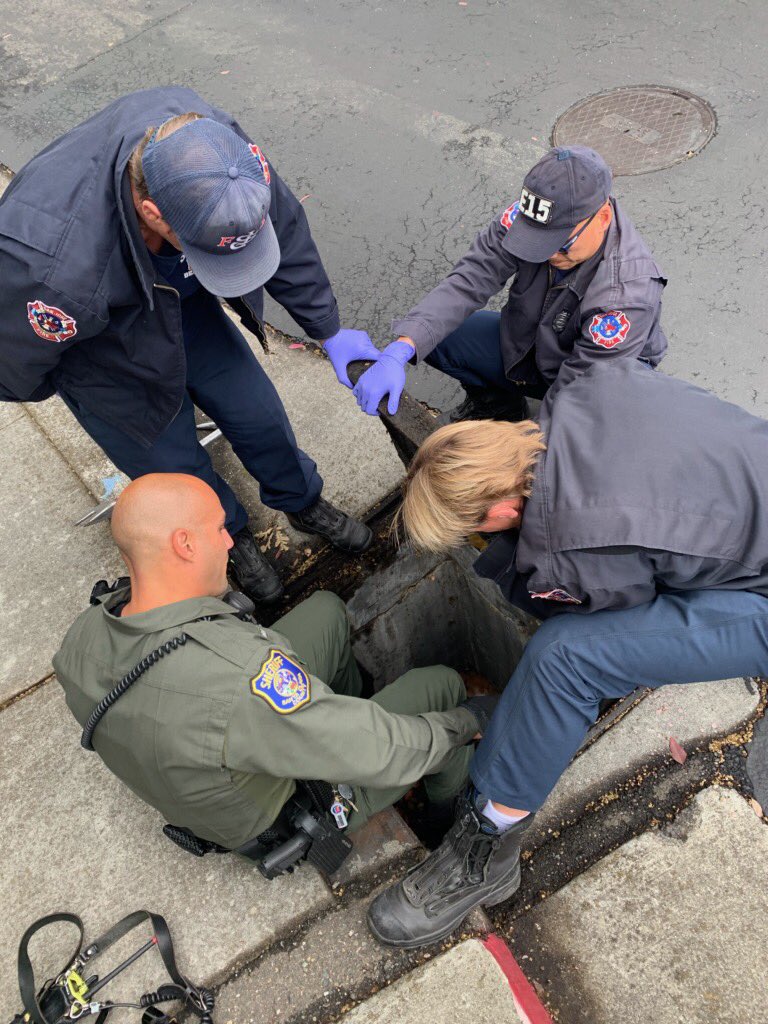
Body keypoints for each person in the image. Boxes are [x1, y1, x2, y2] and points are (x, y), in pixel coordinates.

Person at [366, 360, 768, 947]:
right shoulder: (586, 383)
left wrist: (524, 567)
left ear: (500, 510)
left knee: (564, 661)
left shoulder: (574, 544)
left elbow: (599, 619)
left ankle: (486, 849)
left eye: (473, 528)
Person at [0, 87, 380, 604]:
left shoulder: (215, 152)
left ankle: (302, 501)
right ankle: (230, 537)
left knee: (258, 415)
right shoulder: (50, 270)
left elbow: (283, 228)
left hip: (182, 302)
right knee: (173, 465)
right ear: (153, 213)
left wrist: (327, 328)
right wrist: (91, 391)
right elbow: (14, 365)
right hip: (102, 352)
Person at [53, 473, 497, 860]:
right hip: (293, 809)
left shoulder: (81, 637)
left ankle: (346, 712)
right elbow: (380, 749)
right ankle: (446, 813)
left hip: (216, 751)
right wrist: (468, 721)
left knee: (325, 611)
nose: (230, 541)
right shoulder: (238, 679)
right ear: (184, 544)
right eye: (220, 529)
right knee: (440, 688)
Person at [352, 146, 667, 422]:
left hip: (600, 373)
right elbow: (470, 279)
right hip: (538, 339)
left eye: (560, 244)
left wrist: (519, 449)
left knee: (583, 431)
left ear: (603, 217)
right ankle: (499, 407)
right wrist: (404, 345)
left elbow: (581, 394)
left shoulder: (627, 293)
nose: (547, 254)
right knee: (434, 336)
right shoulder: (533, 216)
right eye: (537, 240)